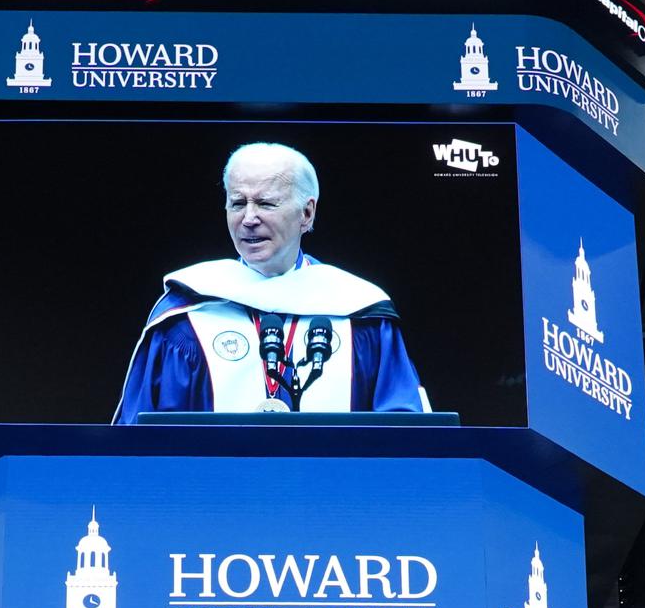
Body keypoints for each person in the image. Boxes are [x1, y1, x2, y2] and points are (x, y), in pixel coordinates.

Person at [113, 141, 427, 420]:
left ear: (307, 213)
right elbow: (145, 437)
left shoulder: (361, 313)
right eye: (238, 203)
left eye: (266, 203)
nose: (249, 219)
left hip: (334, 485)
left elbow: (404, 430)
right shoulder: (186, 315)